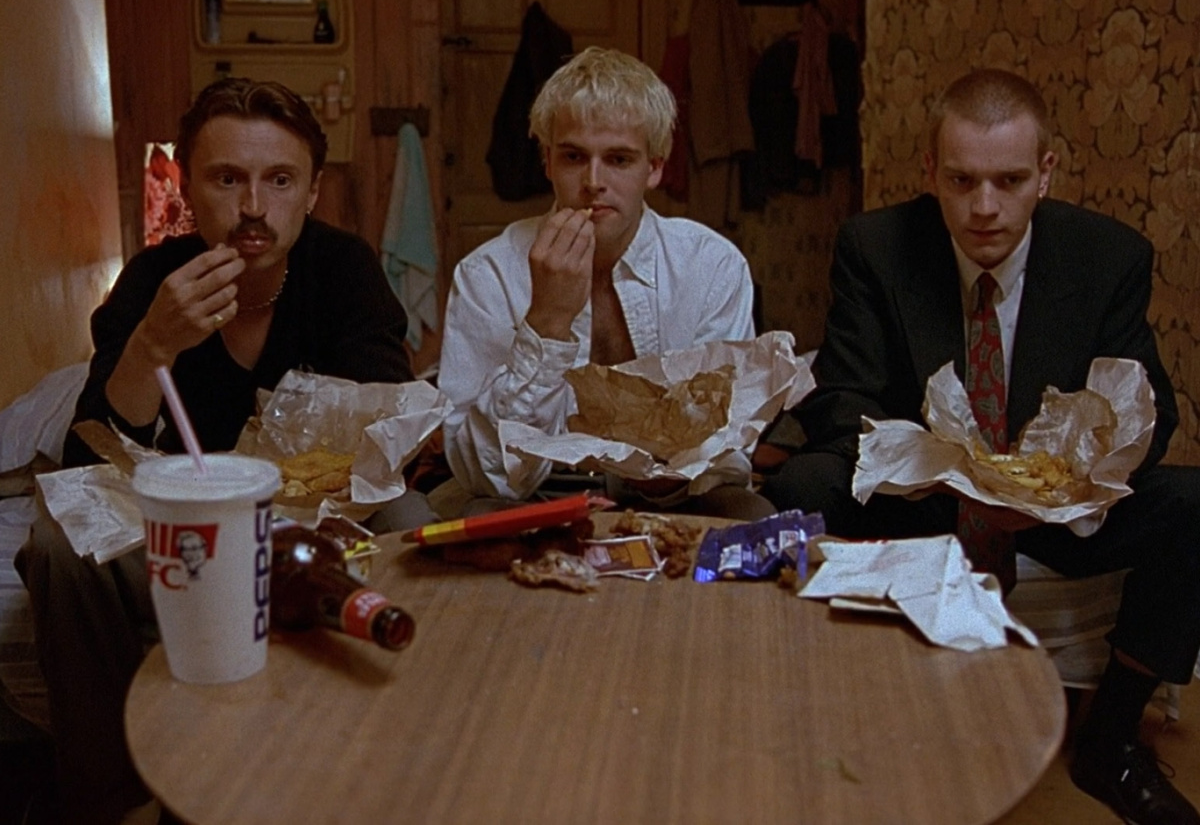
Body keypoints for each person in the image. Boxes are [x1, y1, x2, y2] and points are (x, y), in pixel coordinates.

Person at [763, 68, 1200, 824]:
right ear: (930, 170)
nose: (985, 207)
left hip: (1054, 514)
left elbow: (1148, 417)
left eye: (1010, 180)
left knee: (1193, 503)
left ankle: (1112, 739)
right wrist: (939, 472)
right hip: (926, 501)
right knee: (802, 484)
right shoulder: (876, 245)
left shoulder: (1108, 257)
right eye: (962, 180)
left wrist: (1064, 487)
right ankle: (832, 709)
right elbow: (842, 397)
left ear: (1046, 173)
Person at [16, 78, 432, 825]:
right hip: (185, 531)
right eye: (227, 179)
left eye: (280, 180)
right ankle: (110, 802)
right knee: (57, 543)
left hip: (320, 525)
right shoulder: (152, 281)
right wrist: (152, 345)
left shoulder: (344, 270)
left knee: (414, 518)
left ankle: (410, 764)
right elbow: (92, 461)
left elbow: (389, 424)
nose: (253, 206)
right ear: (188, 188)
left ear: (311, 192)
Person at [439, 46, 773, 521]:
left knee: (754, 515)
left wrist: (668, 468)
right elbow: (483, 471)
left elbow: (728, 447)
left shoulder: (711, 266)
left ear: (654, 168)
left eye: (618, 159)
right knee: (475, 515)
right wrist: (547, 322)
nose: (593, 181)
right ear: (547, 161)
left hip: (676, 493)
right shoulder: (487, 273)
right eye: (574, 157)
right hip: (534, 495)